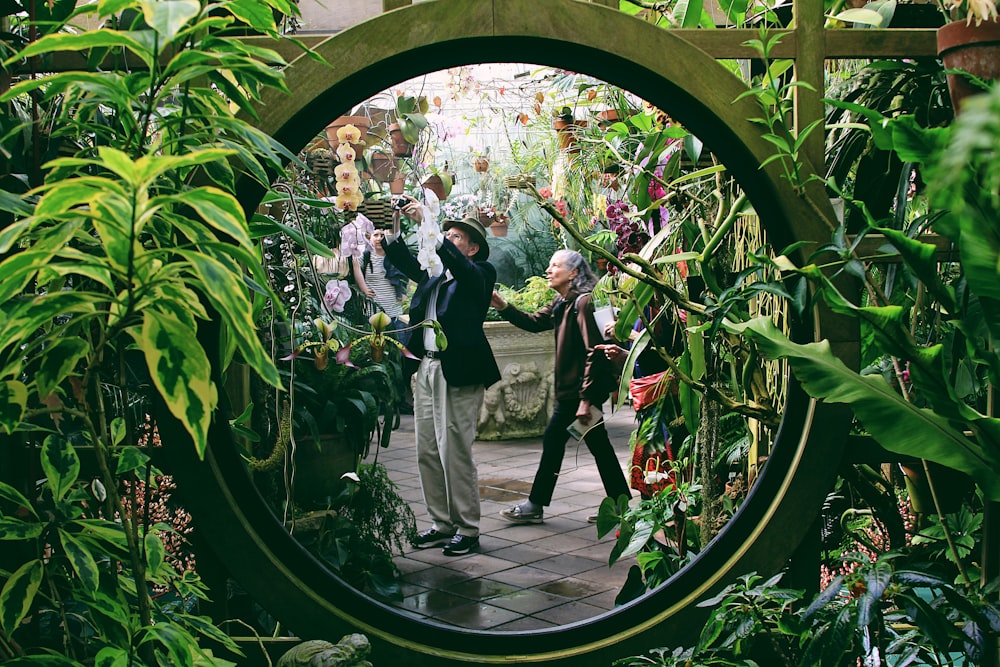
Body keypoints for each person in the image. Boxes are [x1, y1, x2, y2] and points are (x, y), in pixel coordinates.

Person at [379, 203, 500, 556]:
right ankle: (441, 523)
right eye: (445, 234)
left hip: (460, 372)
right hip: (427, 368)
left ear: (472, 247)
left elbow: (461, 269)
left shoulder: (479, 272)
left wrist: (429, 221)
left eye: (455, 236)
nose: (446, 239)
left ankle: (468, 528)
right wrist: (395, 227)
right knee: (427, 450)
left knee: (454, 450)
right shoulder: (434, 274)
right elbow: (403, 260)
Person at [491, 249, 631, 524]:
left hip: (577, 393)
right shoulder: (562, 301)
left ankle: (535, 506)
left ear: (574, 273)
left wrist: (585, 398)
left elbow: (594, 351)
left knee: (554, 442)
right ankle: (620, 506)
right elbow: (534, 323)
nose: (549, 270)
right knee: (597, 447)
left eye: (555, 265)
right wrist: (502, 306)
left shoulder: (583, 303)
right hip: (573, 392)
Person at [353, 228, 413, 412]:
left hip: (395, 314)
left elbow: (410, 273)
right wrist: (363, 288)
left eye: (383, 235)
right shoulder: (366, 256)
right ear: (369, 236)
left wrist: (404, 293)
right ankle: (381, 400)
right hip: (375, 315)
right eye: (376, 234)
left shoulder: (396, 256)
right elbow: (356, 267)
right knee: (377, 358)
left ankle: (400, 399)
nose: (379, 239)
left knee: (400, 356)